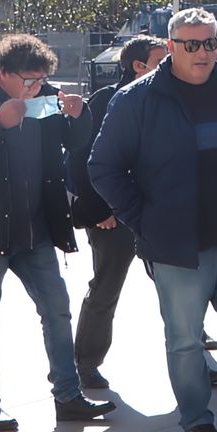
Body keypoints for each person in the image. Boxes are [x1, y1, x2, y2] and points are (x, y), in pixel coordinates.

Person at [90, 8, 217, 432]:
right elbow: (103, 167)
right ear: (171, 47)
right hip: (178, 245)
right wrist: (145, 220)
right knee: (185, 339)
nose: (201, 53)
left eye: (209, 43)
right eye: (190, 44)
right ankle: (196, 421)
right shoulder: (138, 99)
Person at [0, 34, 115, 432]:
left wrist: (80, 117)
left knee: (57, 311)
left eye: (42, 80)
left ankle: (68, 395)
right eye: (29, 81)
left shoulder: (43, 98)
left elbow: (74, 143)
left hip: (37, 229)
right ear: (3, 74)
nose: (37, 88)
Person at [66, 35, 168, 389]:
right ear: (138, 66)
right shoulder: (108, 100)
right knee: (106, 288)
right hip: (112, 216)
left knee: (180, 288)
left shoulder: (169, 98)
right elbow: (83, 161)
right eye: (161, 59)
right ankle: (86, 362)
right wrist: (98, 211)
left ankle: (196, 355)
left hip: (158, 213)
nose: (170, 64)